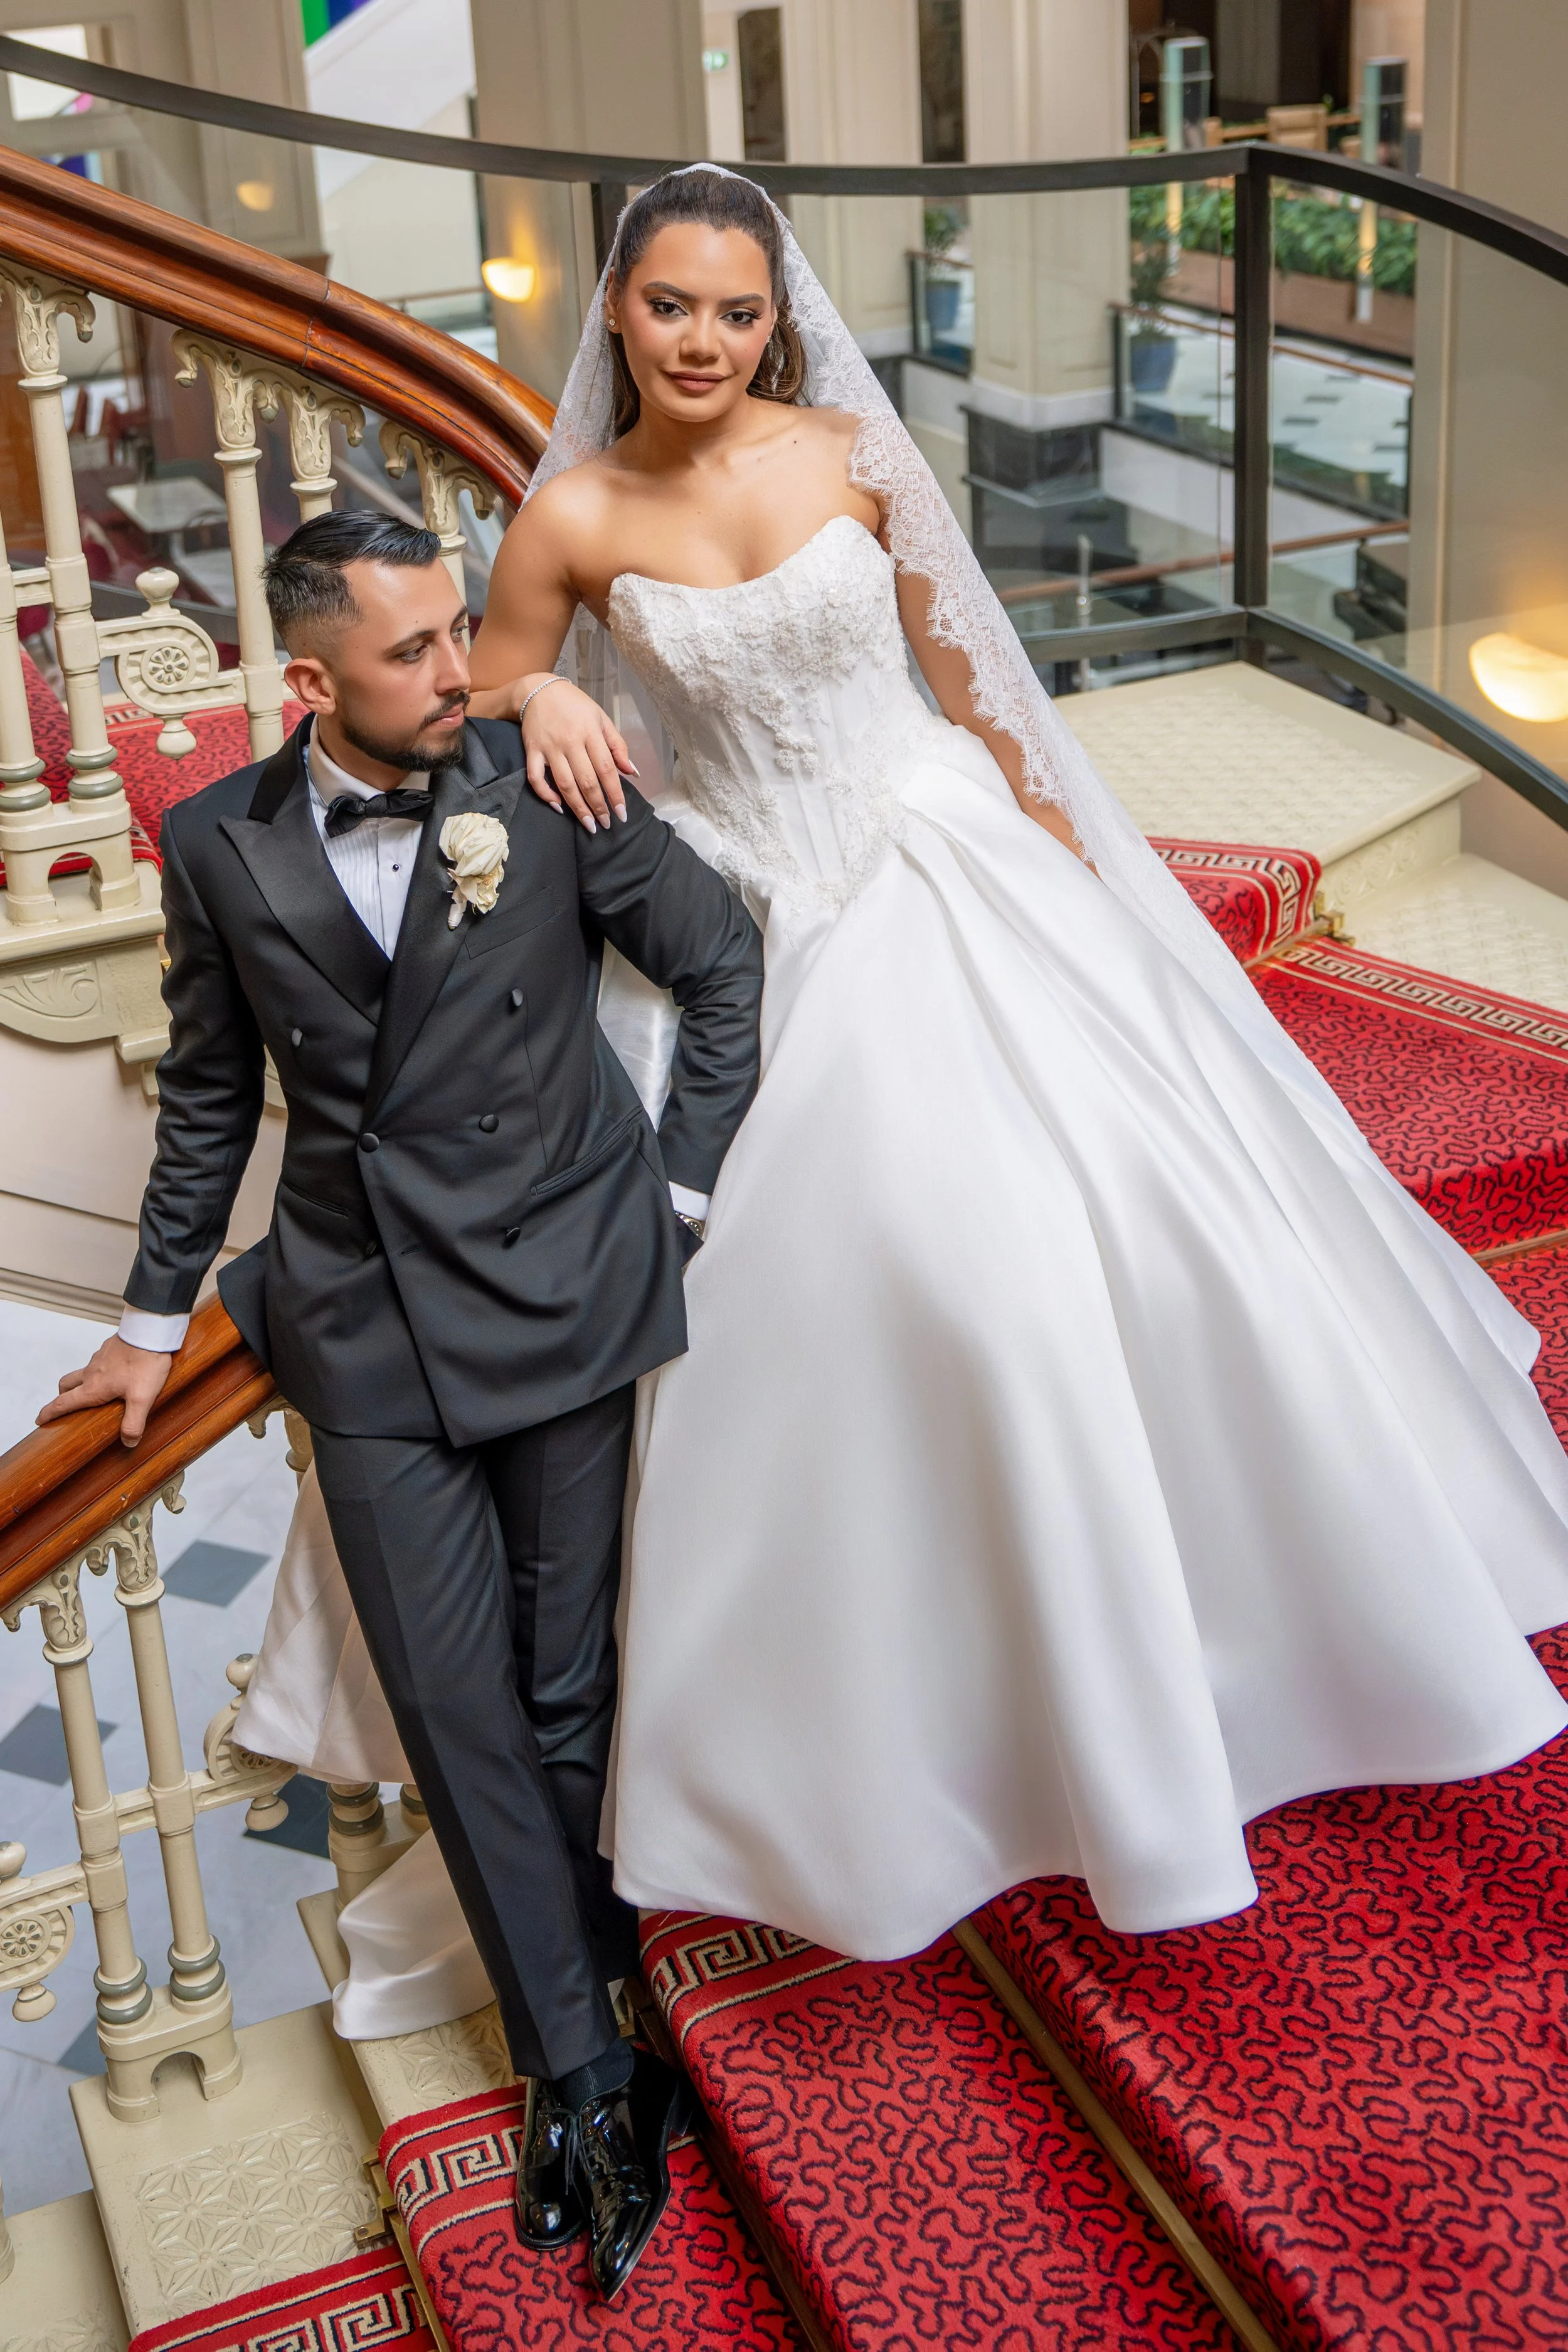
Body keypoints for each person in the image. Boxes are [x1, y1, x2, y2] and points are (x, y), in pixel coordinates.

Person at [457, 164, 1568, 1956]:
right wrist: (542, 690)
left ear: (777, 314)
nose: (706, 340)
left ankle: (1238, 1626)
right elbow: (466, 702)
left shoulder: (850, 455)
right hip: (747, 922)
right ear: (615, 304)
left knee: (1111, 1235)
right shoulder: (569, 516)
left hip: (938, 862)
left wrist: (1089, 885)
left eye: (738, 310)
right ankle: (925, 1717)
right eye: (672, 304)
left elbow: (975, 682)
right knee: (865, 1293)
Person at [36, 507, 765, 2302]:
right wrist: (146, 1318)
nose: (463, 669)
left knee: (561, 1678)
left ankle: (602, 2008)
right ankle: (582, 2068)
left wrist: (667, 1207)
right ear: (311, 678)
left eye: (460, 632)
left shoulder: (540, 769)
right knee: (451, 1700)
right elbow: (212, 1093)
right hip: (366, 1327)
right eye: (417, 649)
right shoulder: (214, 840)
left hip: (566, 1295)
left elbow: (722, 964)